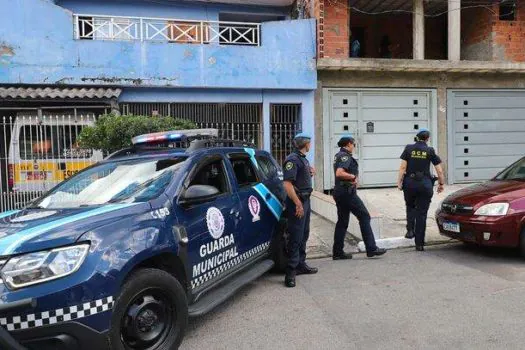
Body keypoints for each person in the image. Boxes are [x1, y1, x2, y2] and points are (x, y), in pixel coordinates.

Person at [332, 135, 387, 260]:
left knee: (342, 222)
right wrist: (352, 177)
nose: (354, 147)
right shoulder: (344, 156)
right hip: (347, 193)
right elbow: (339, 173)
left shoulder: (338, 155)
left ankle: (337, 252)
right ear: (348, 144)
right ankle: (371, 248)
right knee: (364, 216)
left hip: (340, 191)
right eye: (354, 144)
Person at [397, 128, 445, 251]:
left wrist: (399, 182)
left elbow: (403, 167)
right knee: (422, 214)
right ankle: (419, 244)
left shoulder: (408, 148)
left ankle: (410, 230)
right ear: (427, 139)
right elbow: (439, 170)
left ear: (417, 137)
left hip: (410, 184)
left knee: (410, 206)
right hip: (425, 185)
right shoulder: (429, 150)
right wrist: (441, 183)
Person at [282, 133, 318, 288]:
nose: (310, 145)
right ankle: (290, 273)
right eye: (309, 143)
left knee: (304, 233)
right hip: (298, 201)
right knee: (296, 236)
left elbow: (299, 178)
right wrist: (297, 204)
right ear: (305, 144)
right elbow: (287, 184)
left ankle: (301, 264)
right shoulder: (292, 159)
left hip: (305, 200)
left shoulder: (302, 158)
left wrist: (309, 172)